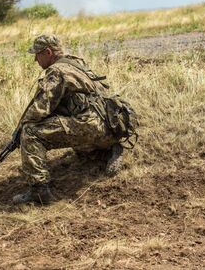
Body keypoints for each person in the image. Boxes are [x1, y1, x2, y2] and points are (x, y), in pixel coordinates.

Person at [11, 34, 126, 204]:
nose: (35, 59)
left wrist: (20, 128)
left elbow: (40, 109)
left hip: (91, 125)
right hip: (108, 124)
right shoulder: (74, 62)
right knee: (65, 122)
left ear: (48, 52)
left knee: (30, 132)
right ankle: (105, 150)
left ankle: (38, 191)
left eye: (37, 54)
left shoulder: (56, 71)